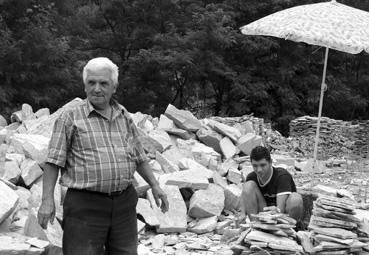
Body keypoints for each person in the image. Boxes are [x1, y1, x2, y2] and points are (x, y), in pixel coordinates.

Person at [37, 57, 169, 255]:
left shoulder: (123, 115)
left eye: (103, 83)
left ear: (114, 87)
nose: (97, 89)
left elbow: (138, 155)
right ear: (85, 86)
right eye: (92, 83)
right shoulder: (70, 117)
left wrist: (155, 185)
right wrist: (47, 200)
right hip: (85, 206)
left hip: (124, 204)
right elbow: (53, 162)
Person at [241, 146, 303, 221]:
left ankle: (290, 229)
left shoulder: (282, 176)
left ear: (270, 163)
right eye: (255, 166)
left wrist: (276, 211)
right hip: (263, 214)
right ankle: (255, 226)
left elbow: (280, 209)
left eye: (263, 165)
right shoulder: (251, 177)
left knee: (296, 199)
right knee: (247, 186)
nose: (259, 170)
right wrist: (242, 214)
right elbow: (245, 197)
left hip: (282, 217)